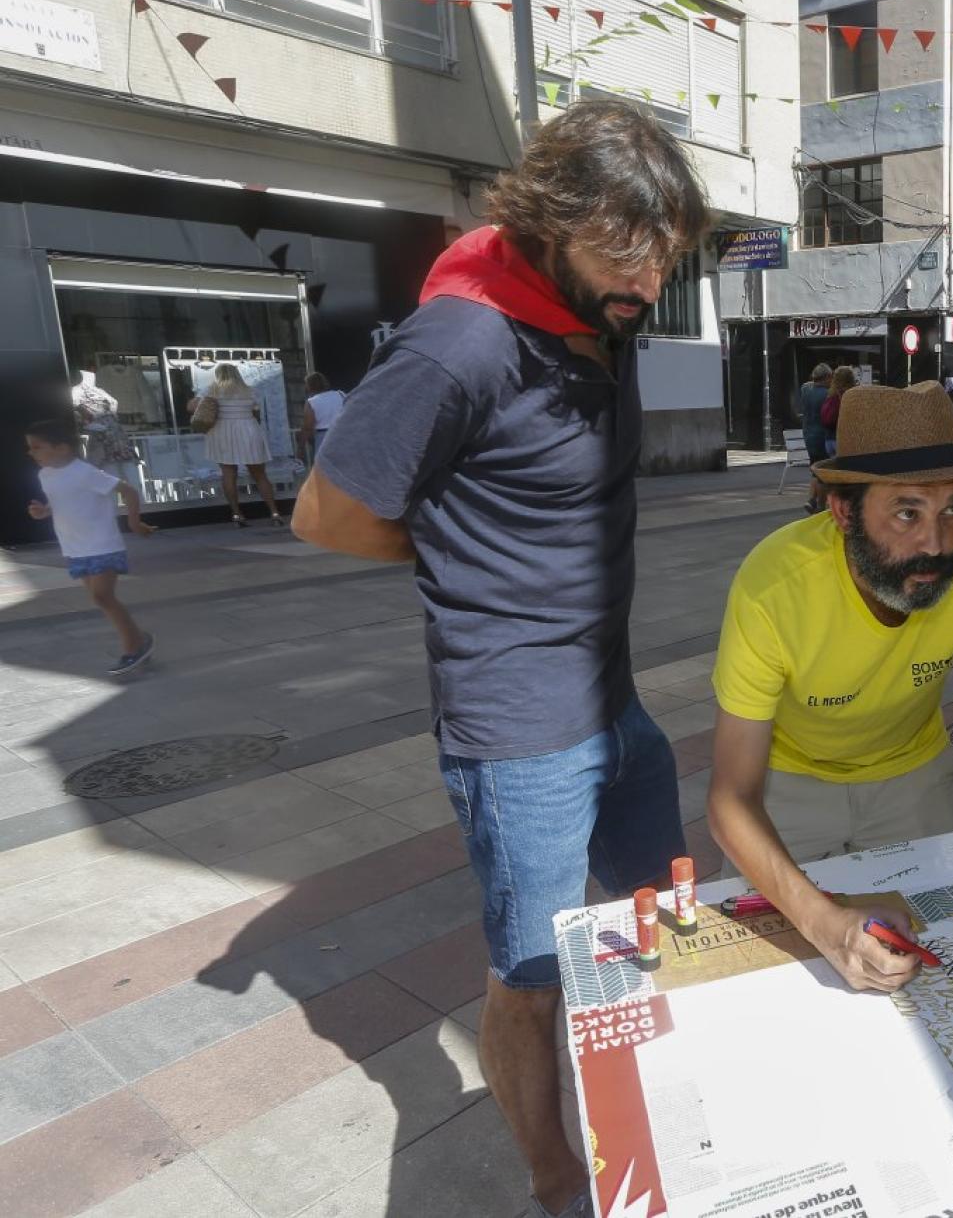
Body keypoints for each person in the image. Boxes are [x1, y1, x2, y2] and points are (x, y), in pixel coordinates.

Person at [292, 100, 710, 1218]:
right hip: (519, 733)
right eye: (624, 253)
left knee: (662, 915)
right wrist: (463, 567)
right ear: (549, 219)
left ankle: (658, 1113)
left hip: (612, 705)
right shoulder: (463, 338)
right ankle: (558, 1181)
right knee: (529, 982)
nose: (647, 283)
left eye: (664, 256)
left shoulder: (600, 318)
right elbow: (326, 513)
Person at [706, 381, 953, 993]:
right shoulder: (772, 587)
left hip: (913, 777)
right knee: (756, 975)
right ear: (843, 510)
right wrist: (825, 926)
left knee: (946, 968)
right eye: (907, 512)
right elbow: (730, 797)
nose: (935, 542)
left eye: (952, 507)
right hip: (787, 784)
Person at [24, 418, 155, 674]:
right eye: (30, 447)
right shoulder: (45, 475)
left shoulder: (85, 472)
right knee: (101, 599)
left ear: (62, 448)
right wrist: (44, 511)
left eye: (37, 447)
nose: (31, 452)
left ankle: (133, 647)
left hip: (102, 544)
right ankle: (140, 640)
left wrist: (134, 523)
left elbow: (128, 491)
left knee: (102, 596)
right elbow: (64, 502)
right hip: (75, 548)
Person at [200, 363, 284, 528]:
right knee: (260, 474)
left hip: (223, 431)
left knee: (229, 474)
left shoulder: (212, 390)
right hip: (248, 429)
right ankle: (274, 512)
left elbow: (194, 407)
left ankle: (237, 514)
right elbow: (256, 413)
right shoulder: (250, 390)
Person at [797, 362, 832, 514]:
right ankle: (820, 505)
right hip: (822, 436)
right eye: (830, 377)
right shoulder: (827, 394)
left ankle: (811, 499)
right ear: (826, 377)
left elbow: (806, 384)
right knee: (823, 472)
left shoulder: (805, 390)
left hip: (808, 435)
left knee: (815, 469)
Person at [299, 372, 345, 462]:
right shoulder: (340, 394)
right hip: (342, 433)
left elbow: (308, 427)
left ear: (310, 386)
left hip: (324, 437)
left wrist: (300, 448)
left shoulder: (311, 402)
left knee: (325, 469)